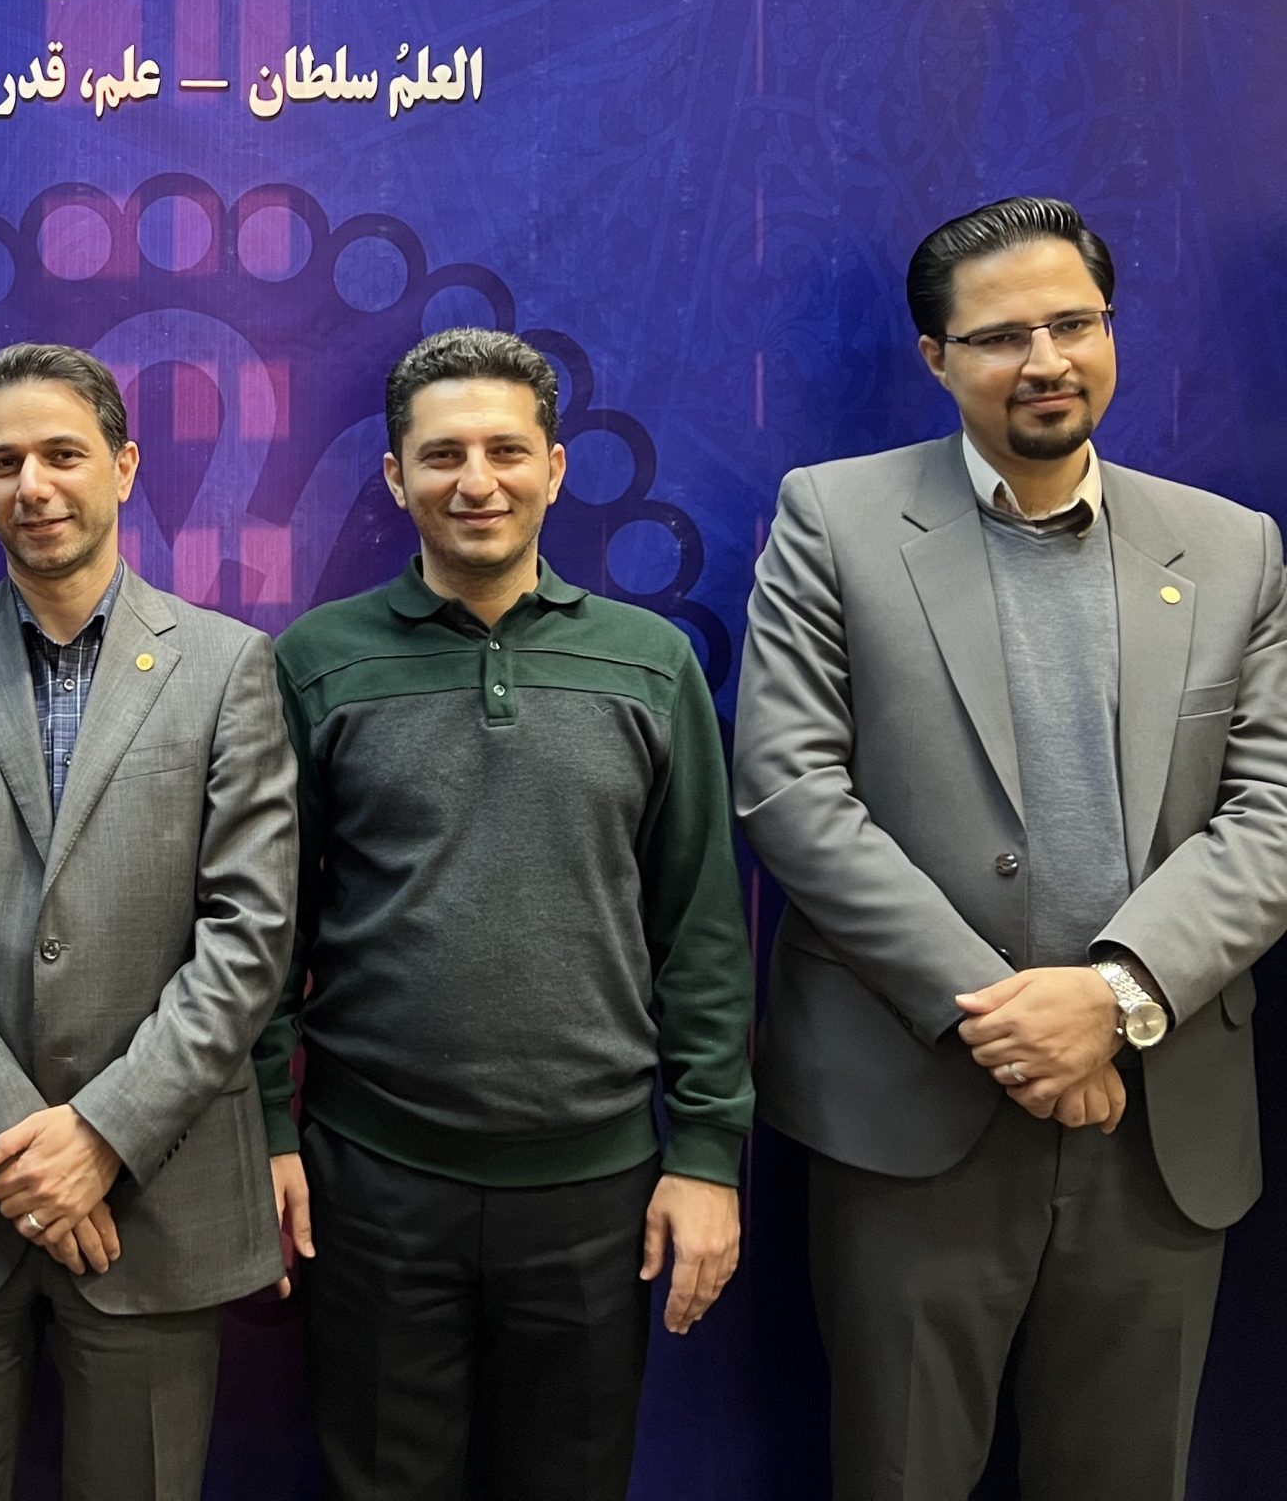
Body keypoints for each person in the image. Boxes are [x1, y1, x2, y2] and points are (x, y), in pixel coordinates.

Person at [736, 196, 1287, 1501]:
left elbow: (1270, 813)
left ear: (1110, 330)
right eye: (999, 337)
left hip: (1155, 1128)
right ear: (936, 358)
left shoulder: (1232, 547)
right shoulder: (834, 519)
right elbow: (790, 790)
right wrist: (1009, 1025)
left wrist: (1113, 998)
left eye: (1072, 323)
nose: (1044, 360)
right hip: (914, 1115)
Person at [258, 328, 752, 1501]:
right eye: (441, 455)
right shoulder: (316, 662)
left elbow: (699, 932)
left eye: (504, 450)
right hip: (369, 1182)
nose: (474, 481)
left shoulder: (650, 664)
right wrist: (266, 1132)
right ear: (394, 477)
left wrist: (707, 1154)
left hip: (596, 1186)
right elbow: (266, 931)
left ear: (555, 468)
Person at [0, 342, 298, 1501]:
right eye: (4, 463)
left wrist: (101, 1138)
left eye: (62, 454)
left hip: (154, 1198)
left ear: (124, 467)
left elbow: (247, 938)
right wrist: (19, 1144)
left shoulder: (227, 667)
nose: (32, 485)